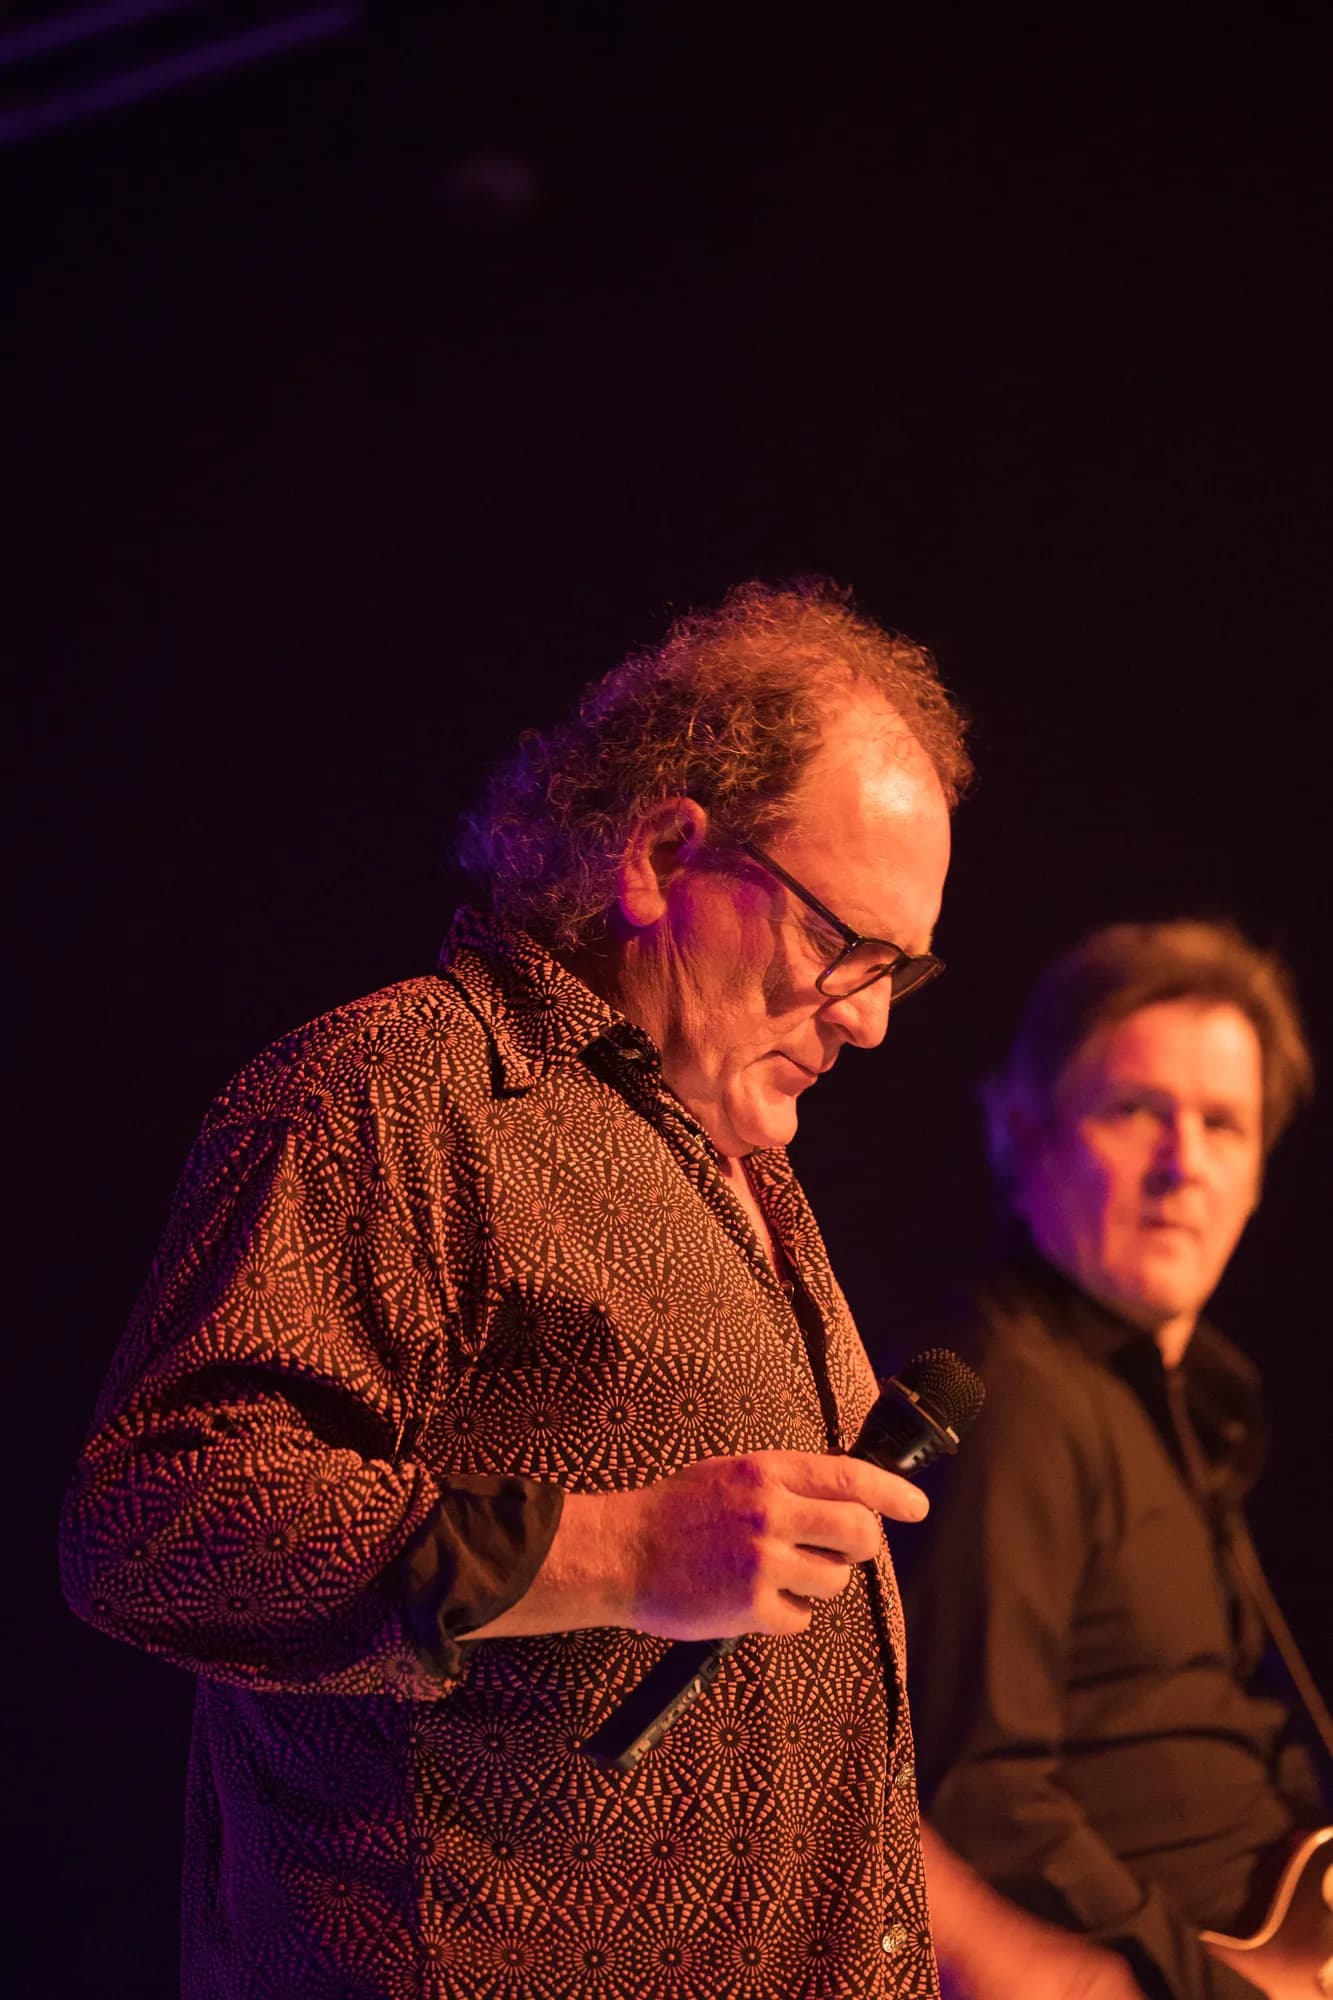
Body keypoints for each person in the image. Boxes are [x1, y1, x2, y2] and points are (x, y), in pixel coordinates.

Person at [61, 578, 978, 1999]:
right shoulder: (395, 1095)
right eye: (840, 947)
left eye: (896, 975)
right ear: (664, 859)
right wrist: (613, 1554)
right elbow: (156, 1522)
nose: (864, 1015)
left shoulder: (739, 1166)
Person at [900, 919, 1328, 2000]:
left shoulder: (1185, 1401)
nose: (1183, 1164)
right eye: (1137, 1110)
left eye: (1223, 1124)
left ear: (1257, 1174)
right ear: (1021, 1130)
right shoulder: (1018, 1396)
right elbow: (985, 1792)